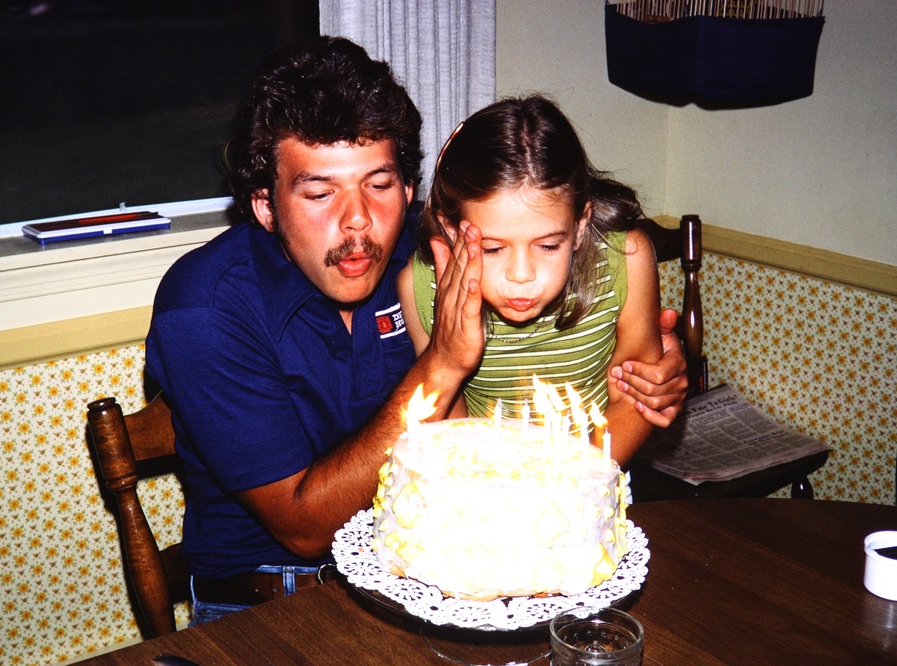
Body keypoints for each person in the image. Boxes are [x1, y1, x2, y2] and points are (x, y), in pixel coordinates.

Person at [144, 37, 687, 623]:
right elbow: (302, 528)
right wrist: (442, 366)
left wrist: (651, 373)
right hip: (276, 603)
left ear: (408, 189)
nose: (356, 221)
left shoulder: (438, 258)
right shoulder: (205, 310)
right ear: (266, 205)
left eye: (378, 185)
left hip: (454, 572)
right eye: (320, 192)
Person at [399, 95, 664, 464]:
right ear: (451, 231)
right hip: (487, 487)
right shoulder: (421, 287)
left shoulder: (627, 259)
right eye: (492, 249)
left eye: (548, 246)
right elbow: (447, 417)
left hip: (591, 478)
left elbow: (636, 397)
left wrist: (572, 482)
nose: (522, 275)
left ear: (581, 225)